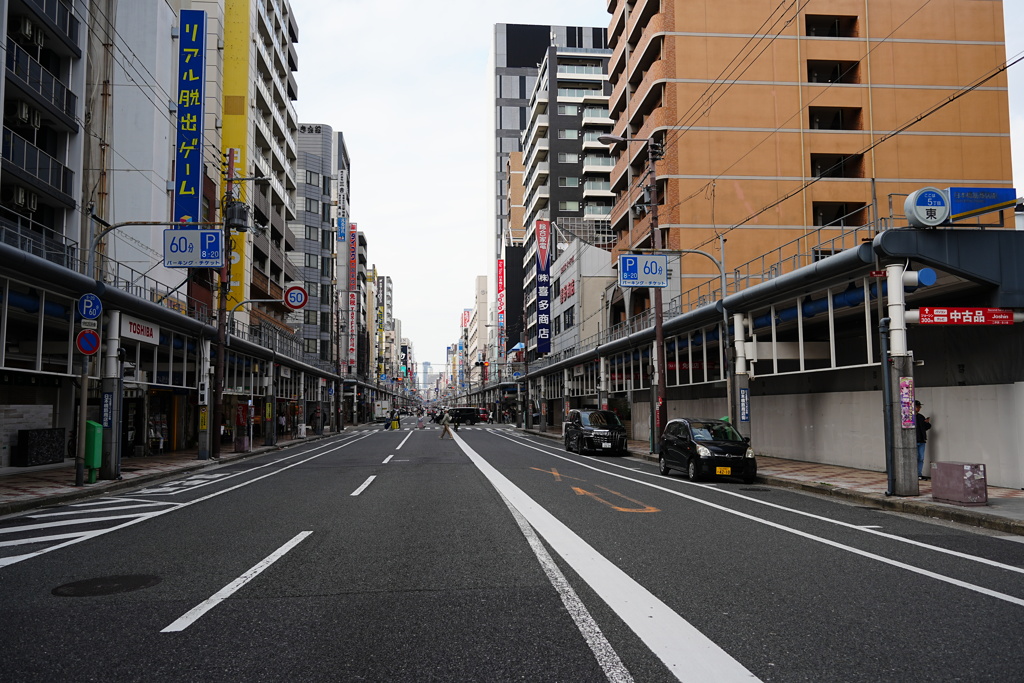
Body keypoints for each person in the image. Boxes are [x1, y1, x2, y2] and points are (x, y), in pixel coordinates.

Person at [915, 400, 932, 480]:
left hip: (921, 440)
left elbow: (926, 427)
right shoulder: (909, 417)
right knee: (915, 457)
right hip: (914, 441)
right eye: (918, 407)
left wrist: (927, 423)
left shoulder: (921, 417)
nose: (919, 408)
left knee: (921, 458)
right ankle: (915, 473)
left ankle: (919, 474)